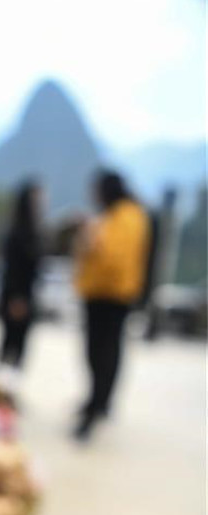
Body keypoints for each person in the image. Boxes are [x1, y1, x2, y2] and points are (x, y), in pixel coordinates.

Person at [74, 170, 150, 440]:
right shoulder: (113, 215)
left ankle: (98, 405)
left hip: (112, 297)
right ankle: (96, 400)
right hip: (98, 295)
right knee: (97, 352)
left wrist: (91, 237)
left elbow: (113, 258)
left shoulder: (128, 216)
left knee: (104, 353)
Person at [0, 181, 44, 368]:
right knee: (11, 343)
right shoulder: (19, 232)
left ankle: (6, 379)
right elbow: (14, 268)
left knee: (17, 344)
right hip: (17, 296)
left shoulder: (33, 230)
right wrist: (17, 297)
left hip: (25, 295)